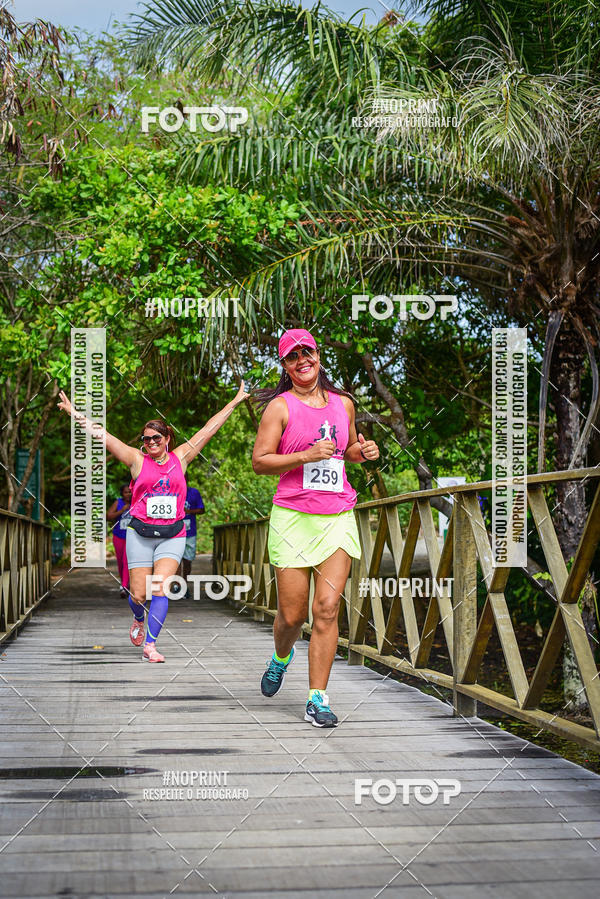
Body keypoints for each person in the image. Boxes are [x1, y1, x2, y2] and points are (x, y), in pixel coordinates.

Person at [57, 383, 249, 662]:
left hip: (173, 533)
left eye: (156, 437)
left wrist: (234, 401)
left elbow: (209, 429)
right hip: (140, 533)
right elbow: (104, 436)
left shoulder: (181, 457)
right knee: (138, 594)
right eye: (146, 439)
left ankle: (151, 644)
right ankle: (137, 618)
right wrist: (74, 412)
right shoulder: (136, 460)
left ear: (167, 437)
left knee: (161, 587)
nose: (151, 443)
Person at [252, 328, 379, 726]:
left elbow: (347, 452)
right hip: (292, 518)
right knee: (291, 616)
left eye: (307, 352)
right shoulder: (280, 408)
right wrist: (304, 455)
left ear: (318, 355)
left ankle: (317, 699)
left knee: (326, 609)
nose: (302, 360)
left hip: (337, 515)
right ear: (285, 366)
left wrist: (365, 451)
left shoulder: (344, 404)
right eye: (292, 357)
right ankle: (280, 657)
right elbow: (260, 461)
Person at [176, 485, 205, 598]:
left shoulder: (194, 492)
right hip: (174, 531)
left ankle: (184, 584)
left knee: (187, 561)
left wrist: (187, 511)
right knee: (176, 560)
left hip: (189, 532)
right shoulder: (171, 490)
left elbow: (202, 509)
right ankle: (177, 585)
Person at [107, 483, 132, 598]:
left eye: (130, 491)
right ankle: (125, 584)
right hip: (118, 536)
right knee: (121, 561)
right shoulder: (118, 502)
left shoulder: (137, 502)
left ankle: (124, 586)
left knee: (127, 561)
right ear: (122, 493)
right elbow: (108, 516)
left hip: (132, 537)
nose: (128, 494)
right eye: (126, 492)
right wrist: (121, 511)